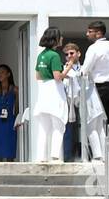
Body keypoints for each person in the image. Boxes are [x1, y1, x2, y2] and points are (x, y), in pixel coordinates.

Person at [81, 20, 109, 148]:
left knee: (97, 122)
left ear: (99, 33)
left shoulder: (94, 48)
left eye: (90, 31)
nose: (87, 34)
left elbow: (85, 70)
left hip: (99, 88)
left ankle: (100, 154)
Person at [31, 28, 67, 164]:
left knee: (44, 127)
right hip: (54, 92)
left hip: (43, 92)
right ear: (55, 39)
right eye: (60, 37)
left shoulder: (41, 55)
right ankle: (55, 156)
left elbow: (38, 75)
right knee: (58, 124)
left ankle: (41, 157)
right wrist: (67, 69)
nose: (62, 38)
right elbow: (58, 76)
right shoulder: (55, 55)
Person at [0, 64, 19, 162]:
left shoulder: (15, 90)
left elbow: (17, 107)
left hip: (10, 121)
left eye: (2, 72)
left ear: (8, 74)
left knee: (10, 146)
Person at [61, 42, 85, 162]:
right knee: (69, 130)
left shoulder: (85, 68)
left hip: (83, 102)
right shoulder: (62, 68)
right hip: (68, 102)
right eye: (67, 54)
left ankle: (84, 156)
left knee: (84, 130)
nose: (69, 56)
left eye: (72, 53)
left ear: (78, 54)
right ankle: (68, 158)